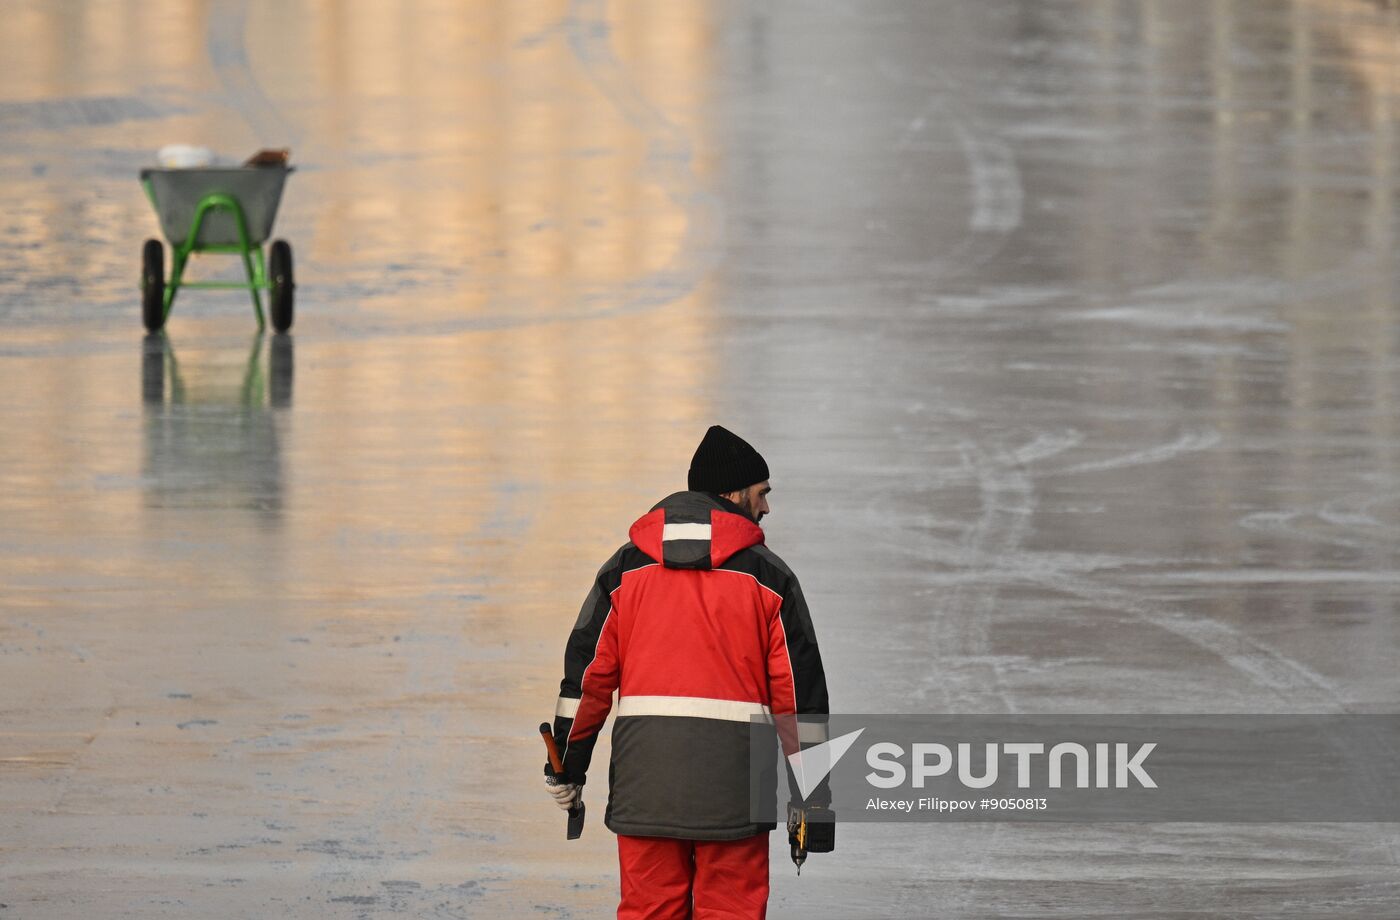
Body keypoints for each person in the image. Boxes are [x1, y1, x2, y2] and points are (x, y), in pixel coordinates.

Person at [544, 425, 830, 919]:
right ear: (733, 494)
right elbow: (799, 697)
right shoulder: (770, 579)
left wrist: (567, 765)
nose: (766, 508)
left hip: (646, 783)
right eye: (762, 494)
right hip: (739, 788)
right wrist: (814, 799)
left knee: (649, 911)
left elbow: (588, 679)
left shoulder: (623, 572)